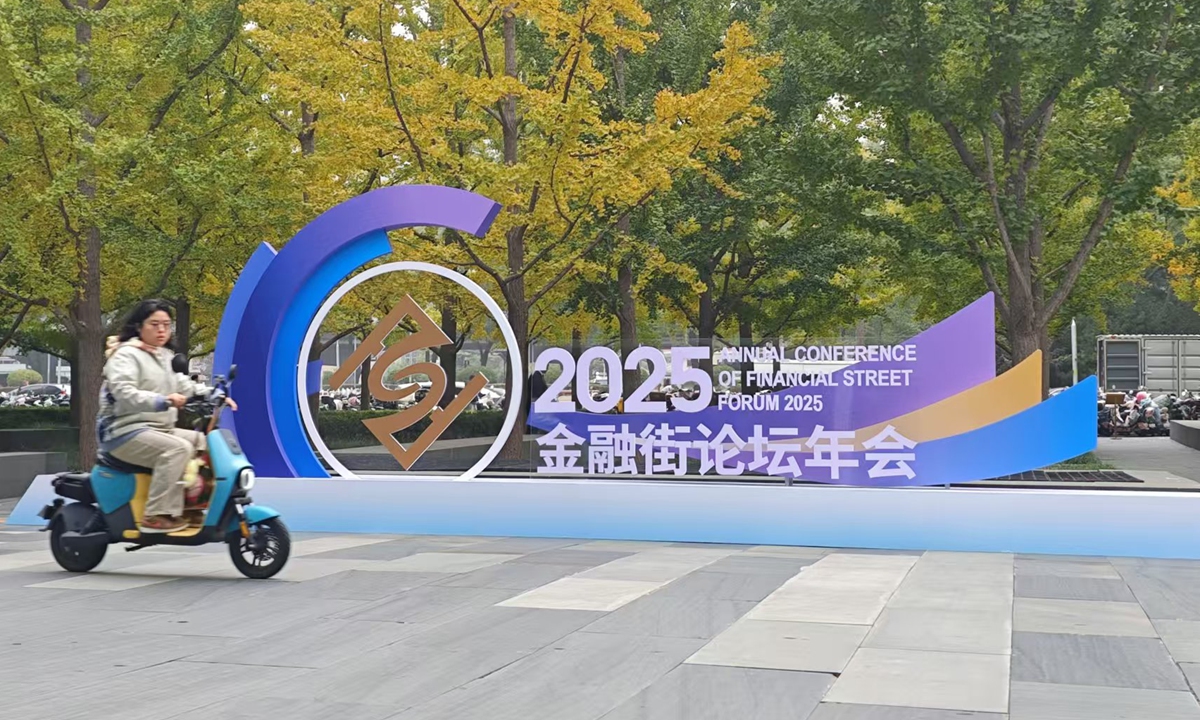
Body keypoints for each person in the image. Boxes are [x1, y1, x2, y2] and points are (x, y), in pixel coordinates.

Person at [97, 300, 236, 534]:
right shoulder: (125, 355)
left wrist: (214, 394)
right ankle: (156, 515)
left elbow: (183, 385)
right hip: (123, 430)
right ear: (139, 327)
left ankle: (191, 505)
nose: (161, 330)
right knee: (178, 449)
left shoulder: (164, 355)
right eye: (154, 324)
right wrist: (163, 400)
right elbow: (123, 392)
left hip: (159, 428)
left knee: (204, 443)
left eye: (166, 325)